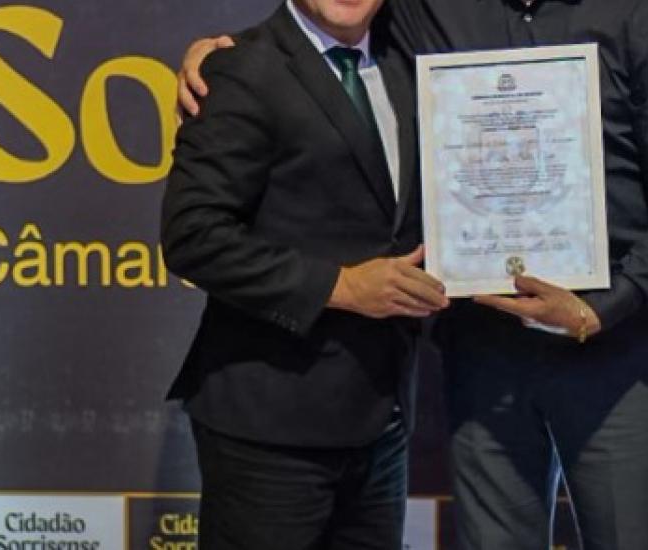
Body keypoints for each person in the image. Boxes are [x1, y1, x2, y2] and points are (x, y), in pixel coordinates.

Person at [178, 0, 648, 548]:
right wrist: (222, 56)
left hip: (617, 352)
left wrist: (602, 307)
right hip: (485, 353)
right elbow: (320, 29)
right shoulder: (427, 8)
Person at [160, 0, 451, 548]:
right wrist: (342, 286)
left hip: (382, 421)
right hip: (269, 428)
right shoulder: (240, 68)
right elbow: (193, 237)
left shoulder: (414, 64)